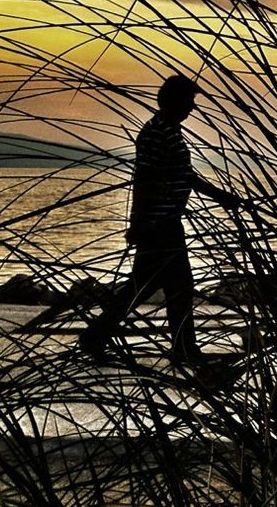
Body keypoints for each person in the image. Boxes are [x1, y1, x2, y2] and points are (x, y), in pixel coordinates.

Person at [80, 73, 239, 364]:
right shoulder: (156, 132)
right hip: (160, 225)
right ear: (172, 101)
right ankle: (181, 349)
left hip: (167, 222)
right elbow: (143, 178)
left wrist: (221, 197)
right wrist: (137, 222)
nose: (192, 107)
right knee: (166, 287)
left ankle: (99, 336)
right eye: (188, 101)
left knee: (156, 287)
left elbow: (184, 175)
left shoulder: (170, 130)